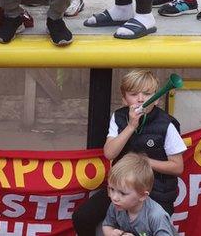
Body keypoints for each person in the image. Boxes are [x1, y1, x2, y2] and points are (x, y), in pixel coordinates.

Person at [71, 70, 185, 235]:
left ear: (157, 98)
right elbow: (109, 153)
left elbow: (177, 167)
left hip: (155, 193)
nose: (141, 99)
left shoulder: (167, 124)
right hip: (122, 189)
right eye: (133, 94)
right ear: (124, 99)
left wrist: (143, 161)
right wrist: (131, 126)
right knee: (82, 217)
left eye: (147, 94)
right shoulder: (119, 117)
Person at [101, 153, 176, 236]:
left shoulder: (156, 216)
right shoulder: (117, 205)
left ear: (143, 196)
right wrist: (111, 233)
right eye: (111, 189)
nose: (114, 197)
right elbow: (107, 225)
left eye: (123, 193)